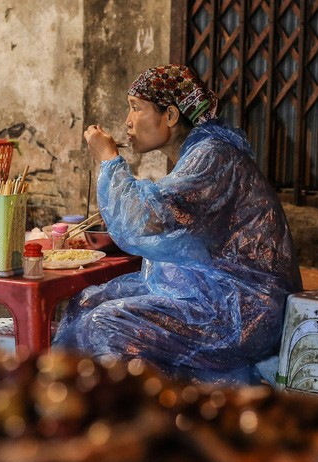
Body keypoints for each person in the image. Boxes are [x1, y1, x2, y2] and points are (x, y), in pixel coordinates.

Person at [52, 64, 303, 385]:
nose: (128, 121)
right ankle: (63, 404)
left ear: (170, 116)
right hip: (206, 292)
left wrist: (108, 160)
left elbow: (142, 224)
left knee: (104, 325)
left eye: (136, 108)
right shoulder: (197, 154)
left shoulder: (213, 157)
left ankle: (132, 421)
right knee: (86, 301)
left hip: (240, 311)